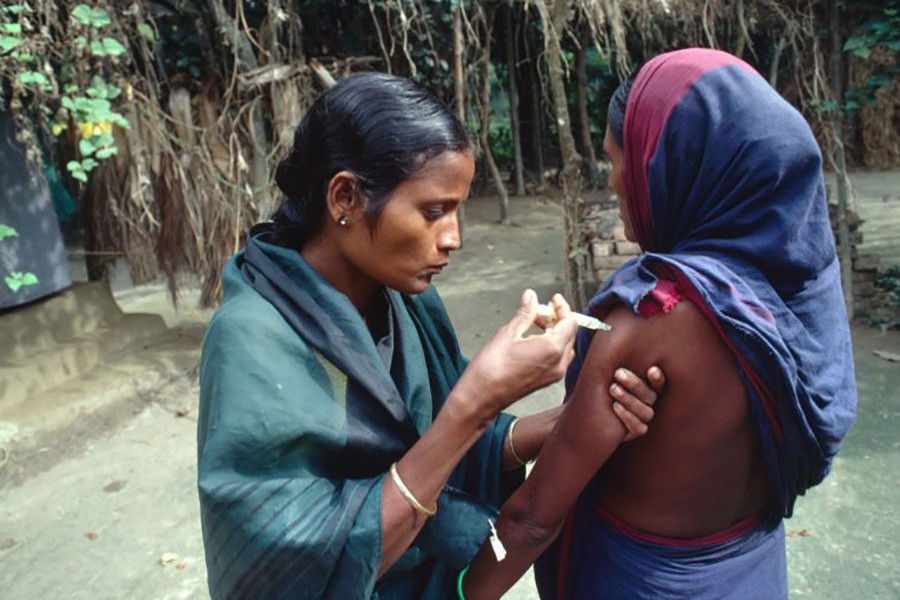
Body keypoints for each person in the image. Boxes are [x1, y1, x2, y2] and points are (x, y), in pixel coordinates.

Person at [195, 72, 664, 599]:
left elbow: (448, 446)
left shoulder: (403, 300)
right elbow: (286, 569)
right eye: (433, 211)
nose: (454, 238)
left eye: (458, 208)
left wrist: (578, 416)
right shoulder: (252, 339)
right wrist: (476, 402)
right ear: (345, 197)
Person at [461, 48, 858, 599]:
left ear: (675, 165)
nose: (617, 183)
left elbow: (531, 520)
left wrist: (460, 591)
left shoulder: (649, 321)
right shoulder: (802, 293)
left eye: (622, 160)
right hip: (752, 575)